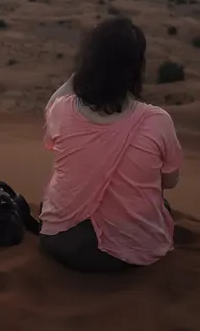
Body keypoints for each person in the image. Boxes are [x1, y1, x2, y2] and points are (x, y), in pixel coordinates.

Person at [38, 17, 184, 272]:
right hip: (132, 253)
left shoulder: (61, 111)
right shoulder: (157, 121)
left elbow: (51, 108)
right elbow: (169, 182)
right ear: (137, 68)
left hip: (62, 243)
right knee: (161, 205)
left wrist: (84, 71)